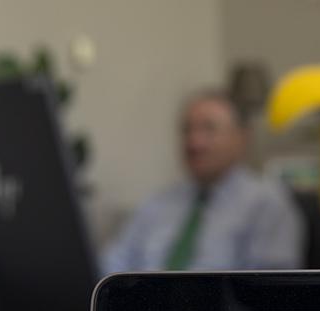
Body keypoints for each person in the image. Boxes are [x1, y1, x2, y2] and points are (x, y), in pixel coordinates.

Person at [102, 90, 304, 273]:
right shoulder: (158, 202)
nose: (194, 142)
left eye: (209, 129)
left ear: (241, 138)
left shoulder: (267, 203)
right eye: (187, 130)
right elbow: (113, 264)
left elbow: (270, 291)